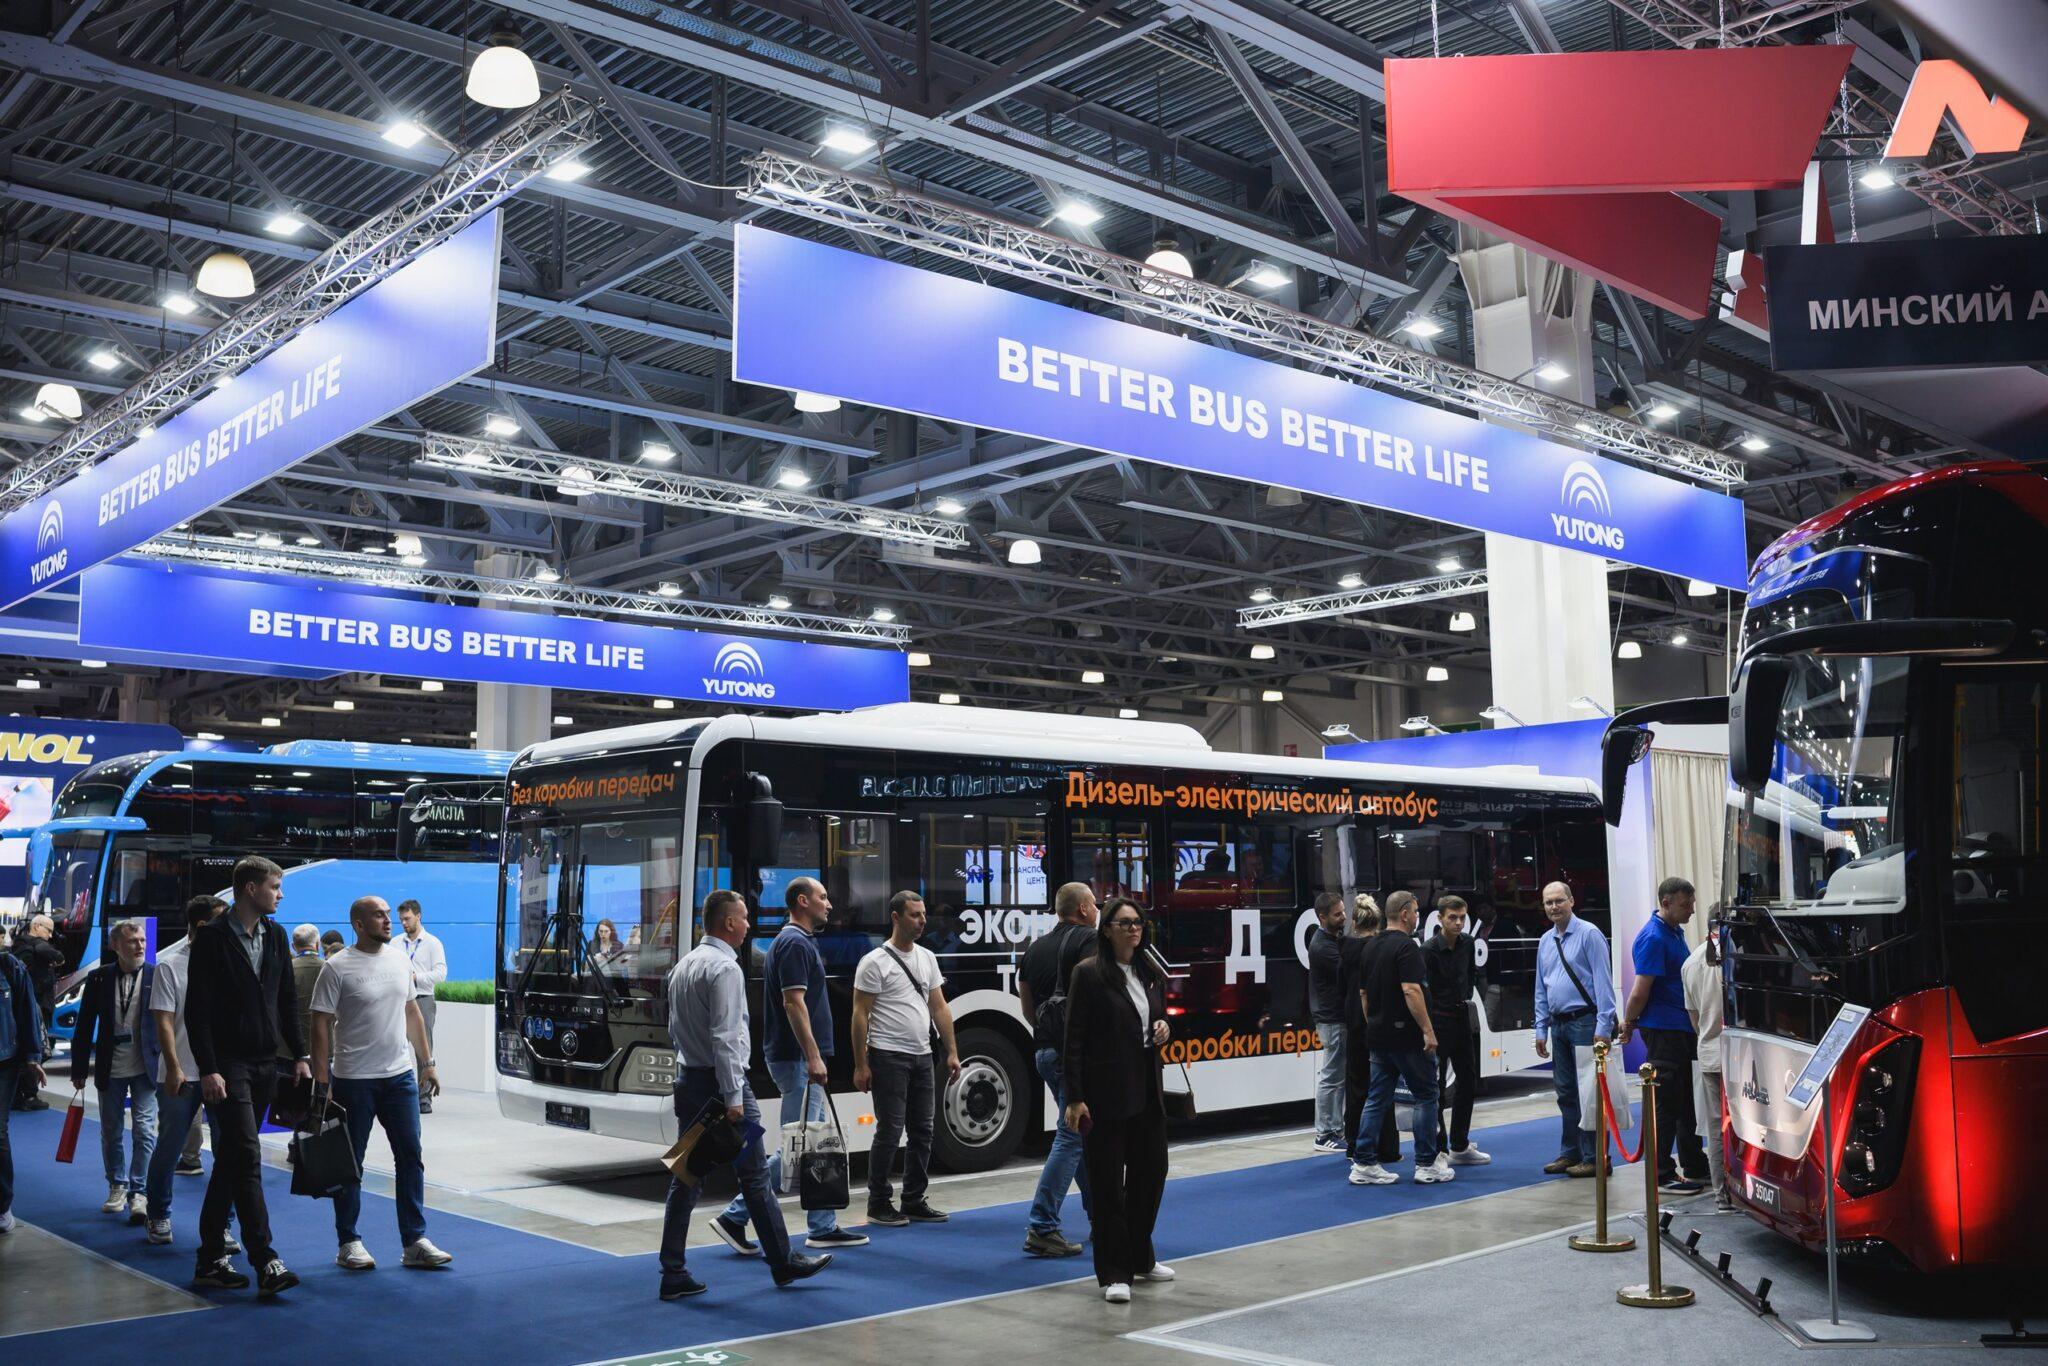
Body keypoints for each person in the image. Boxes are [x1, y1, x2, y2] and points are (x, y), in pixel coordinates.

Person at [655, 889, 829, 1300]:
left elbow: (675, 1031)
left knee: (686, 1177)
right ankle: (783, 1262)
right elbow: (726, 1039)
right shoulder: (725, 968)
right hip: (725, 1087)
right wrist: (734, 1097)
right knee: (754, 1176)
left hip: (690, 1083)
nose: (750, 925)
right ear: (729, 923)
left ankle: (672, 1271)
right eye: (746, 917)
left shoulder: (683, 966)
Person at [713, 877, 867, 1254]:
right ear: (803, 901)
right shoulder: (795, 943)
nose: (829, 904)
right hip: (797, 1059)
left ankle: (822, 1225)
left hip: (796, 1058)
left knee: (811, 1143)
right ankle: (735, 1216)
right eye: (823, 897)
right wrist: (813, 1055)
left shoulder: (795, 942)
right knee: (798, 1145)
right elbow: (793, 1003)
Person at [184, 856, 310, 1296]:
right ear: (251, 889)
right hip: (229, 1064)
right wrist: (209, 1068)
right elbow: (197, 1011)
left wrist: (300, 1054)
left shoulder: (276, 935)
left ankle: (208, 1260)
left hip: (265, 1062)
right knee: (247, 1154)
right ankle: (265, 1259)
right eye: (275, 886)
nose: (280, 894)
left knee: (233, 1159)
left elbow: (286, 999)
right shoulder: (212, 938)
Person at [310, 895, 451, 1271]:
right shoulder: (336, 967)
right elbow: (320, 1023)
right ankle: (348, 1242)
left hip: (399, 1077)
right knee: (349, 1164)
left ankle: (414, 1241)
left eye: (388, 914)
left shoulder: (400, 959)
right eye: (379, 915)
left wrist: (427, 1063)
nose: (388, 920)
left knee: (411, 1157)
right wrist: (322, 1081)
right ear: (359, 924)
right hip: (354, 1080)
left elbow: (411, 1011)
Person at [1062, 897, 1173, 1304]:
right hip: (1105, 1094)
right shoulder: (1088, 974)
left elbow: (1158, 1016)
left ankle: (1141, 1256)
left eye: (1137, 922)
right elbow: (1073, 1039)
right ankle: (1115, 1272)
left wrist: (1164, 1026)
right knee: (1108, 1185)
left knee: (1152, 1173)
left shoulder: (1149, 970)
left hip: (1147, 1091)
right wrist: (1075, 1098)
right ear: (1106, 930)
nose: (1133, 928)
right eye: (1124, 923)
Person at [852, 891, 959, 1228]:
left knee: (923, 1131)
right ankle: (878, 1202)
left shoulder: (927, 957)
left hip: (922, 1055)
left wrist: (952, 1051)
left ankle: (913, 1199)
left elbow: (939, 1006)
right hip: (888, 1056)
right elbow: (860, 1014)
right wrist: (861, 1064)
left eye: (923, 914)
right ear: (896, 917)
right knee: (890, 1131)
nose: (922, 921)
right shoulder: (874, 962)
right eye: (915, 915)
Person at [1017, 881, 1099, 1257]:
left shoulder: (1034, 949)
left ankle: (1100, 1215)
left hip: (1044, 1051)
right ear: (1082, 908)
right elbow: (1095, 998)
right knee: (1071, 1136)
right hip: (1074, 1055)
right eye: (1094, 904)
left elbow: (1027, 1007)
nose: (1097, 910)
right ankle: (1042, 1225)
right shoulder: (1089, 941)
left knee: (1080, 1134)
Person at [146, 896, 233, 1244]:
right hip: (182, 1074)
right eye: (221, 921)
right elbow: (164, 1022)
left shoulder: (228, 960)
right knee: (170, 1147)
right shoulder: (169, 965)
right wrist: (173, 1068)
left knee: (228, 1152)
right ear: (201, 925)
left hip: (222, 1073)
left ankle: (222, 1223)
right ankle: (158, 1214)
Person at [1348, 892, 1445, 1186]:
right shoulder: (1406, 947)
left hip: (1379, 1036)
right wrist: (1428, 1030)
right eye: (1415, 911)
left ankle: (1363, 1162)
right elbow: (1411, 990)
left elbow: (1363, 994)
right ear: (1404, 913)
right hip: (1407, 1037)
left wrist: (1375, 1024)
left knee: (1377, 1098)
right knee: (1426, 1095)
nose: (1417, 917)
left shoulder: (1370, 945)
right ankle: (1426, 1164)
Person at [1619, 878, 1708, 1194]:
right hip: (1663, 1030)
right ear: (1666, 903)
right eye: (1686, 904)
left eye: (1692, 903)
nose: (1692, 910)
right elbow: (1640, 991)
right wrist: (1628, 1022)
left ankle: (1695, 1164)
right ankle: (1661, 1173)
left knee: (1687, 1103)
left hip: (1680, 1029)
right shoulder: (1654, 937)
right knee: (1666, 1104)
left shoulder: (1673, 931)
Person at [70, 919, 159, 1222]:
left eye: (142, 941)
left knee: (145, 1130)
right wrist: (79, 1069)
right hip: (111, 1066)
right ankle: (117, 1185)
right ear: (115, 945)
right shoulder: (99, 978)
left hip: (146, 1066)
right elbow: (84, 1026)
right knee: (111, 1131)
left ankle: (139, 1191)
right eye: (133, 941)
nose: (140, 946)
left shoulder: (156, 975)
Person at [1532, 881, 1616, 1178]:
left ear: (1571, 901)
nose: (1554, 907)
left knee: (1590, 1094)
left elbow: (1603, 982)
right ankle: (1571, 1153)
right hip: (1559, 1025)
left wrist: (1604, 1025)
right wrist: (1540, 1028)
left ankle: (1596, 1157)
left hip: (1586, 1023)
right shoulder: (1545, 940)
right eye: (1548, 902)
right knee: (1566, 1093)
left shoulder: (1589, 934)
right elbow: (1541, 987)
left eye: (1559, 900)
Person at [1421, 896, 1490, 1168]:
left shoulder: (1468, 944)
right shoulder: (1428, 950)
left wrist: (1464, 997)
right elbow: (1423, 991)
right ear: (1440, 918)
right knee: (1436, 1087)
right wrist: (1427, 1029)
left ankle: (1459, 1144)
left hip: (1462, 1018)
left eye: (1462, 917)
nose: (1458, 922)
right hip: (1438, 1020)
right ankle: (1439, 1149)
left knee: (1468, 1080)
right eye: (1452, 917)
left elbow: (1471, 976)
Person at [1341, 894, 1399, 1167]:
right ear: (1378, 923)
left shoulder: (1344, 949)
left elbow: (1341, 986)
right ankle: (1386, 1147)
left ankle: (1353, 1144)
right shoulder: (1379, 949)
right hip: (1377, 1021)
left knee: (1356, 1086)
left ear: (1354, 923)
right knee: (1382, 1087)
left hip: (1353, 1022)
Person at [0, 929, 47, 1233]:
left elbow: (27, 1012)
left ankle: (2, 1206)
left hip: (3, 1062)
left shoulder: (10, 967)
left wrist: (32, 1058)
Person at [1306, 891, 1348, 1154]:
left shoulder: (1331, 940)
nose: (1343, 917)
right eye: (1337, 914)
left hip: (1333, 1017)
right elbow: (1347, 971)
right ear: (1322, 917)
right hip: (1332, 1019)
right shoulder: (1323, 946)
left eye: (1343, 911)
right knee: (1331, 1077)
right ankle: (1324, 1134)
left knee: (1336, 1076)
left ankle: (1334, 1129)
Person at [396, 901, 446, 1114]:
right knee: (395, 1046)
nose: (403, 923)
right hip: (399, 1000)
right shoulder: (395, 942)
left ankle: (424, 1098)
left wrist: (416, 978)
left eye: (407, 918)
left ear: (418, 916)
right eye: (401, 920)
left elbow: (441, 974)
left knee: (423, 1049)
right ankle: (396, 1096)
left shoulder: (433, 943)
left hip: (423, 998)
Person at [11, 915, 61, 1111]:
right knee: (37, 1049)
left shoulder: (19, 947)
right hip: (36, 1006)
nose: (50, 935)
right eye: (48, 930)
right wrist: (58, 959)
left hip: (28, 1006)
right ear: (37, 927)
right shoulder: (36, 947)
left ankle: (19, 1093)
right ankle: (29, 1094)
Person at [284, 924, 324, 1071]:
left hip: (288, 1050)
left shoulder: (285, 969)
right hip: (324, 1048)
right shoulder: (330, 968)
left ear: (293, 946)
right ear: (318, 944)